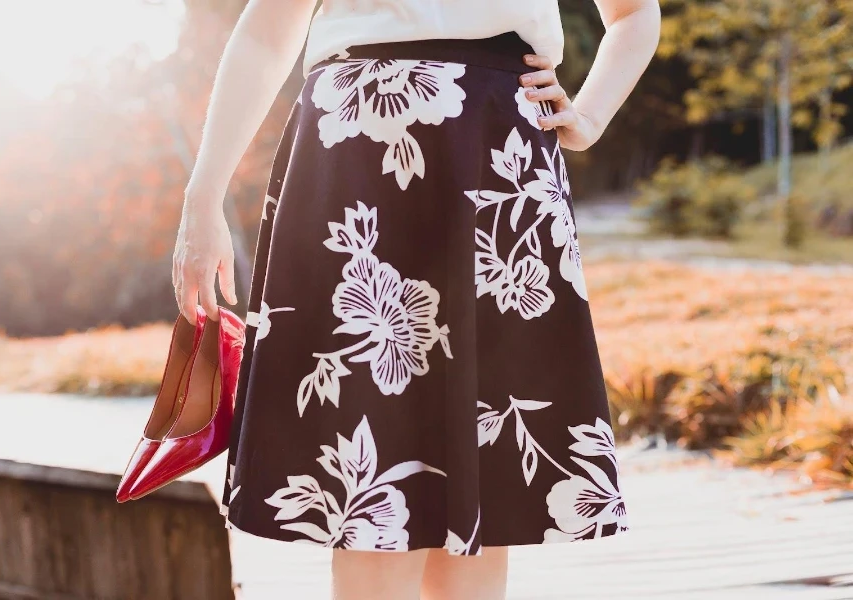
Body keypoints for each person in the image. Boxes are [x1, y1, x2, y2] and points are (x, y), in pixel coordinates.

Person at [172, 1, 661, 598]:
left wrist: (590, 115)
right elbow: (265, 37)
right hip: (353, 148)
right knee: (368, 489)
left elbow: (635, 13)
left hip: (494, 145)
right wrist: (203, 198)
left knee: (481, 490)